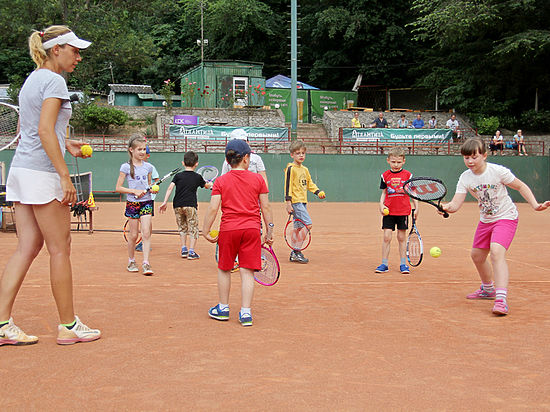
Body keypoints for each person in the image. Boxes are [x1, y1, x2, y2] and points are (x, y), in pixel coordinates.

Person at [0, 25, 100, 346]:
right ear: (56, 49)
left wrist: (65, 142)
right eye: (74, 50)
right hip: (43, 175)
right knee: (60, 248)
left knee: (27, 247)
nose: (78, 57)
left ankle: (2, 323)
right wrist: (64, 175)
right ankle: (68, 325)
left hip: (22, 170)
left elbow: (33, 130)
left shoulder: (32, 80)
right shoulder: (55, 81)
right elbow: (44, 130)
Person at [441, 138, 549, 316]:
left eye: (474, 157)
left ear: (484, 155)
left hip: (506, 217)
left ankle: (501, 299)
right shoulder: (465, 177)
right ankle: (488, 289)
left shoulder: (498, 171)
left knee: (497, 251)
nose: (470, 161)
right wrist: (446, 208)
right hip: (486, 220)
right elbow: (455, 204)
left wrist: (535, 205)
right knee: (476, 256)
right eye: (466, 158)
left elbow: (520, 186)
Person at [202, 139, 274, 327]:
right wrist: (270, 230)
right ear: (246, 158)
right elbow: (265, 207)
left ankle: (223, 309)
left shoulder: (221, 181)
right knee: (247, 272)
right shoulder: (258, 179)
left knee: (225, 269)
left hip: (229, 229)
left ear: (228, 160)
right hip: (251, 229)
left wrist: (205, 230)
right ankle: (245, 313)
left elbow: (213, 208)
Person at [115, 134, 158, 275]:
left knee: (146, 233)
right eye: (139, 149)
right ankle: (131, 260)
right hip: (133, 203)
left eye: (144, 149)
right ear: (131, 150)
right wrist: (133, 191)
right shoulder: (125, 167)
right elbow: (118, 187)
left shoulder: (149, 167)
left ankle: (146, 263)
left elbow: (150, 184)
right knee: (133, 235)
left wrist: (151, 188)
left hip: (146, 202)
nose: (142, 152)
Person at [159, 151, 212, 259]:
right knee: (193, 228)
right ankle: (191, 251)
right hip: (190, 205)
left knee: (182, 227)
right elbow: (206, 186)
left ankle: (184, 249)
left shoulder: (178, 176)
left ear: (183, 163)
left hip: (177, 205)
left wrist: (164, 201)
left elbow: (170, 188)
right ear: (196, 164)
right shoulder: (198, 177)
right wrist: (210, 184)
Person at [375, 147, 418, 275]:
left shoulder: (408, 175)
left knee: (401, 237)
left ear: (403, 161)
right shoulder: (385, 176)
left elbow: (413, 193)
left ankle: (403, 264)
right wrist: (381, 205)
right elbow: (384, 192)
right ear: (388, 160)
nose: (396, 164)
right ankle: (384, 263)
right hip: (389, 211)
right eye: (393, 162)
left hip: (403, 211)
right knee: (387, 237)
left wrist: (417, 207)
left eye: (399, 162)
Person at [284, 140, 326, 264]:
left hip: (303, 202)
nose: (301, 155)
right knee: (308, 224)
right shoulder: (290, 168)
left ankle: (294, 253)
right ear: (292, 155)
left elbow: (309, 183)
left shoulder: (305, 169)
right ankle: (296, 251)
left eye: (303, 153)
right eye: (298, 153)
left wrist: (317, 192)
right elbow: (288, 186)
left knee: (298, 228)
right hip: (295, 202)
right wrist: (288, 203)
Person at [135, 144, 159, 252]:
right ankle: (143, 240)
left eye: (144, 152)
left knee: (146, 220)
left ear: (147, 155)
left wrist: (151, 188)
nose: (141, 154)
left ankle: (145, 241)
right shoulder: (134, 166)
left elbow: (156, 179)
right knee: (139, 220)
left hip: (148, 198)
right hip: (137, 198)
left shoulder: (150, 167)